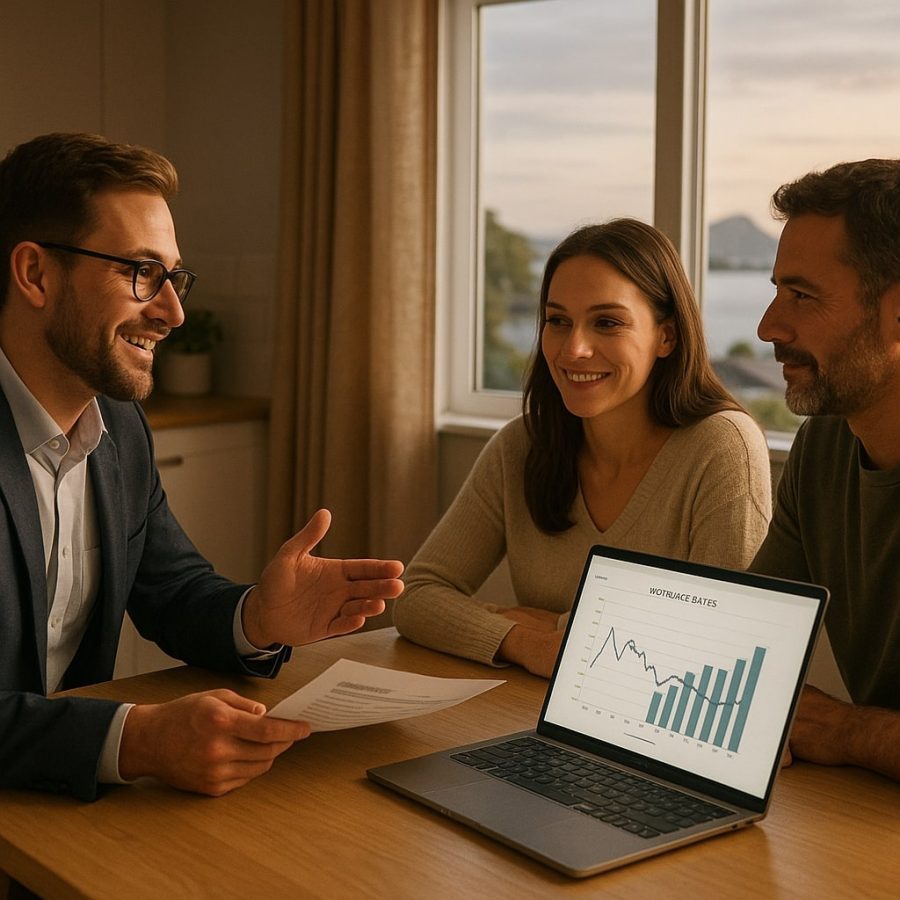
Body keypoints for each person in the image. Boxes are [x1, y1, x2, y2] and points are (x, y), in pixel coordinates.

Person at [0, 132, 404, 801]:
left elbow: (173, 591)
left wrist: (258, 617)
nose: (173, 312)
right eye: (141, 272)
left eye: (174, 277)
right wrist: (135, 740)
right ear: (35, 274)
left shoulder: (119, 427)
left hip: (59, 806)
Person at [394, 219, 771, 677]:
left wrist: (557, 627)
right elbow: (417, 595)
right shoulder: (521, 445)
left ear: (666, 336)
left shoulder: (723, 446)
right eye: (558, 321)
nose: (573, 349)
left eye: (606, 322)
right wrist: (526, 642)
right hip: (525, 707)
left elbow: (719, 636)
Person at [751, 158, 900, 781]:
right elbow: (747, 637)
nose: (768, 327)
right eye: (777, 290)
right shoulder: (824, 446)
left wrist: (848, 731)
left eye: (802, 296)